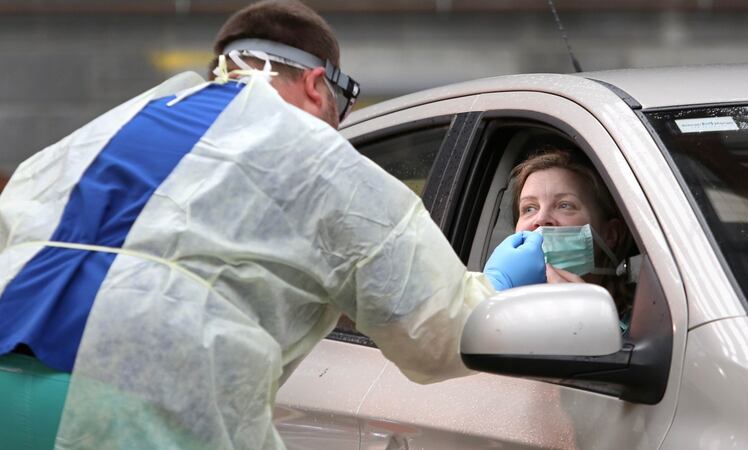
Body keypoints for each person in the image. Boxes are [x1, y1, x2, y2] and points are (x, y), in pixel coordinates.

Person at [0, 1, 543, 449]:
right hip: (134, 407)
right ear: (314, 84)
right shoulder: (318, 158)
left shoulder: (93, 136)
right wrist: (499, 287)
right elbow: (435, 333)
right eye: (340, 109)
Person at [497, 147, 634, 325]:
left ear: (610, 234)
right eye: (529, 208)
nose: (541, 219)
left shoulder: (644, 326)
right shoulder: (504, 316)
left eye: (564, 205)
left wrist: (590, 324)